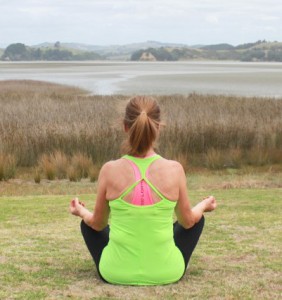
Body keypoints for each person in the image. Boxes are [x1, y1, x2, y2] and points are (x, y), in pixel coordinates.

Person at [69, 96, 217, 285]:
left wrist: (81, 211)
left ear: (125, 126)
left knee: (88, 224)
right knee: (195, 220)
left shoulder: (109, 170)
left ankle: (122, 262)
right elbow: (188, 222)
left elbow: (97, 224)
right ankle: (159, 262)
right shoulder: (175, 169)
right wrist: (203, 205)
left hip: (115, 272)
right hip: (167, 272)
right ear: (158, 128)